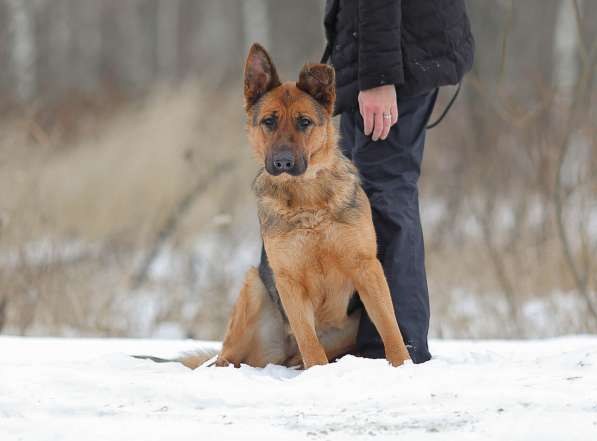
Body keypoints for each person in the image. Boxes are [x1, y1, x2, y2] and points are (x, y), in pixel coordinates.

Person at [322, 0, 474, 363]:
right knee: (365, 195)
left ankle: (393, 349)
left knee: (382, 196)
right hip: (387, 54)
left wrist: (378, 78)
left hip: (390, 62)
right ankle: (377, 346)